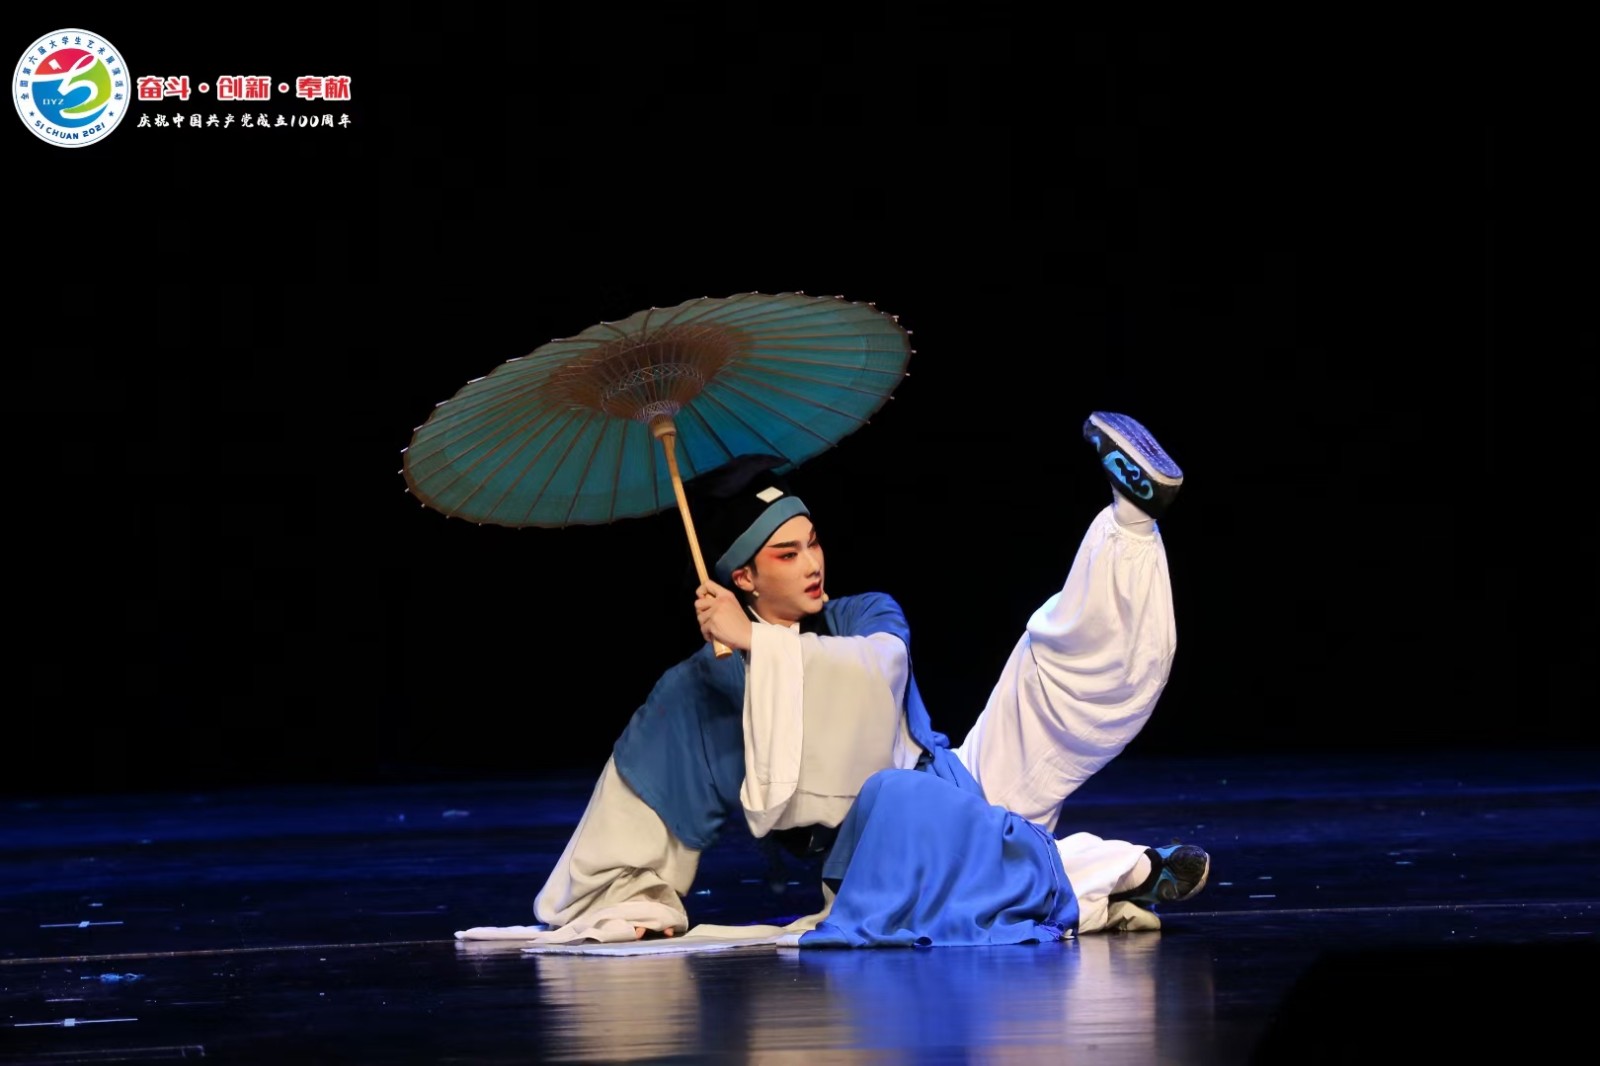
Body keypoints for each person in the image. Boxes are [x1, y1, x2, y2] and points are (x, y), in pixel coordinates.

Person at [466, 411, 1208, 946]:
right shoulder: (702, 686)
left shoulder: (862, 614)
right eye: (786, 554)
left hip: (958, 786)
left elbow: (878, 675)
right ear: (743, 577)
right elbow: (644, 794)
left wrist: (756, 642)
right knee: (897, 810)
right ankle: (1128, 871)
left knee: (1044, 674)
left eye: (814, 542)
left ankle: (1130, 523)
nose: (813, 564)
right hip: (878, 860)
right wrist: (632, 903)